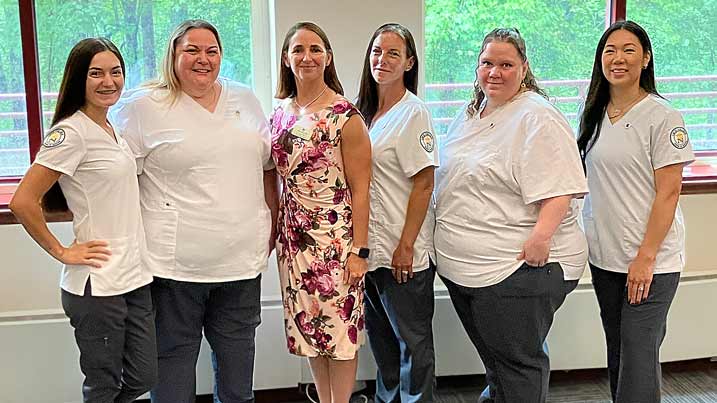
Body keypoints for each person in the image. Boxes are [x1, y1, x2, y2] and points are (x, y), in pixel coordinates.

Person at [112, 19, 277, 403]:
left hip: (240, 264)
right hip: (174, 269)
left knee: (237, 379)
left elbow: (268, 168)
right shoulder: (142, 107)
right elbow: (118, 180)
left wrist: (271, 223)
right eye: (192, 50)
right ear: (173, 54)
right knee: (172, 373)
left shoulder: (245, 99)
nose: (203, 59)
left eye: (212, 51)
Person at [433, 28, 588, 403]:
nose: (495, 72)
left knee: (518, 366)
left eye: (506, 64)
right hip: (469, 268)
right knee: (499, 363)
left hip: (515, 268)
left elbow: (561, 187)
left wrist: (541, 238)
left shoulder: (537, 117)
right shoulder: (472, 112)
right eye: (487, 63)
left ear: (524, 68)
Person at [9, 38, 156, 403]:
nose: (108, 81)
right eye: (96, 73)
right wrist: (61, 251)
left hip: (134, 276)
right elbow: (23, 201)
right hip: (97, 286)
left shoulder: (112, 129)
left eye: (115, 72)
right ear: (79, 79)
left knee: (144, 375)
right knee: (103, 387)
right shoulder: (71, 133)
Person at [577, 20, 695, 403]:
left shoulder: (663, 116)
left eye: (629, 50)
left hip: (651, 262)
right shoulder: (593, 112)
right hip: (606, 257)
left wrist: (645, 257)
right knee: (620, 350)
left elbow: (670, 191)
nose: (618, 58)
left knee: (638, 350)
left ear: (645, 59)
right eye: (610, 50)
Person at [270, 21, 372, 403]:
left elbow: (362, 190)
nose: (307, 56)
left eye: (315, 49)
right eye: (298, 49)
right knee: (309, 328)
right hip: (294, 241)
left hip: (336, 240)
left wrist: (359, 251)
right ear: (286, 58)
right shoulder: (280, 113)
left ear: (328, 58)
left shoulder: (346, 116)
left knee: (339, 331)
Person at [355, 23, 438, 403]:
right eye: (376, 51)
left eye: (392, 53)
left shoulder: (413, 113)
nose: (382, 60)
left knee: (412, 346)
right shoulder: (364, 114)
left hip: (403, 253)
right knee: (383, 344)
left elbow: (424, 183)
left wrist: (405, 246)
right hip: (370, 252)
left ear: (408, 62)